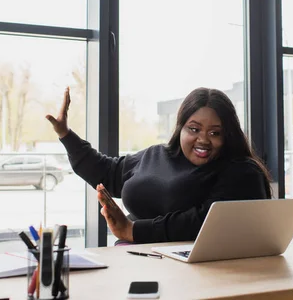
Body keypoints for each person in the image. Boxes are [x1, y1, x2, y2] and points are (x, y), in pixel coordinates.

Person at [46, 87, 272, 244]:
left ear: (228, 135)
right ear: (180, 128)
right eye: (193, 129)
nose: (203, 139)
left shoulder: (242, 172)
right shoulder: (157, 155)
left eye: (215, 133)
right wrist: (65, 134)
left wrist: (133, 230)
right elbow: (108, 172)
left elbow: (206, 220)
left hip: (199, 271)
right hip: (135, 256)